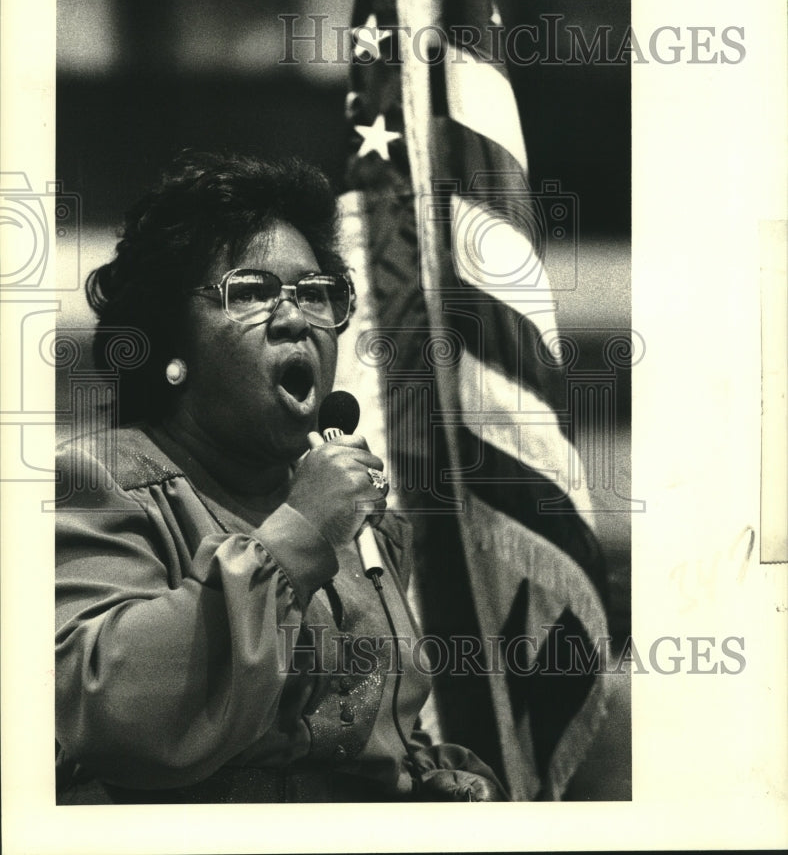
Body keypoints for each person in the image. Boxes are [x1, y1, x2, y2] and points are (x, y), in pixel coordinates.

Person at [55, 150, 506, 803]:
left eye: (318, 294)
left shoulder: (352, 511)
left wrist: (428, 775)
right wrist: (297, 536)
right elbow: (111, 708)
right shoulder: (96, 484)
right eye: (253, 292)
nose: (296, 318)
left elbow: (357, 724)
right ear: (171, 338)